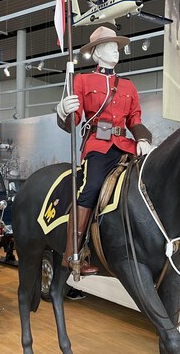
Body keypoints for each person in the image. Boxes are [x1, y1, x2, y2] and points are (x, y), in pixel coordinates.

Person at [55, 26, 153, 276]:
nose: (116, 51)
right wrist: (63, 111)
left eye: (117, 47)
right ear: (97, 53)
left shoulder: (128, 86)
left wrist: (142, 138)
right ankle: (73, 254)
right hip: (98, 146)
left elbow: (135, 119)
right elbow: (74, 122)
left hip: (126, 146)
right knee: (89, 189)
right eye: (110, 47)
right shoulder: (82, 80)